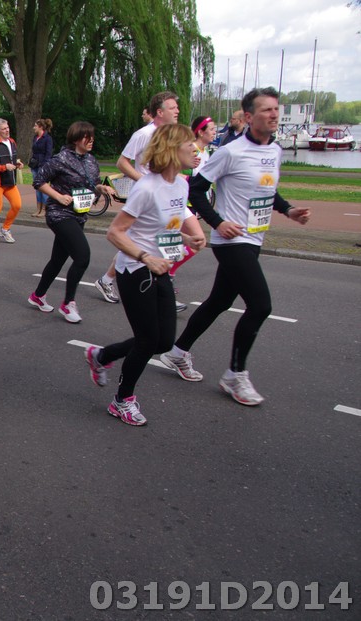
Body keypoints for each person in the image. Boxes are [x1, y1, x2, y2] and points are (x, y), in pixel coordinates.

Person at [160, 87, 311, 406]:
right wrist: (217, 223)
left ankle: (176, 352)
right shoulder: (231, 152)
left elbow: (267, 190)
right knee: (260, 305)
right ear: (249, 117)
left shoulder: (275, 150)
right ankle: (235, 375)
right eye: (266, 109)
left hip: (254, 238)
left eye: (276, 108)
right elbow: (196, 189)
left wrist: (288, 210)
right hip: (231, 241)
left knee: (218, 302)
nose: (274, 114)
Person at [84, 124, 206, 425]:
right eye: (189, 145)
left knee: (163, 342)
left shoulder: (181, 185)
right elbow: (115, 232)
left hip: (160, 266)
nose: (195, 150)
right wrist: (145, 256)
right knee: (147, 340)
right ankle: (122, 400)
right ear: (171, 150)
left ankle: (102, 356)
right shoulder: (146, 188)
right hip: (135, 269)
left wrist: (186, 238)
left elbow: (163, 226)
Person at [94, 92, 180, 305]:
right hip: (146, 196)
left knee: (165, 236)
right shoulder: (143, 134)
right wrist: (145, 181)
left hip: (166, 193)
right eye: (172, 108)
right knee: (137, 239)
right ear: (159, 112)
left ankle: (161, 282)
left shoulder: (171, 134)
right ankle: (112, 279)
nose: (177, 111)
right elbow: (122, 162)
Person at [28, 122, 116, 323]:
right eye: (87, 137)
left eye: (92, 136)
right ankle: (68, 304)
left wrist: (101, 189)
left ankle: (37, 295)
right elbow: (38, 181)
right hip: (59, 214)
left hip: (79, 214)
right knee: (82, 257)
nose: (91, 140)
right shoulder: (61, 159)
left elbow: (92, 184)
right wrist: (58, 196)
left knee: (58, 260)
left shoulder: (91, 160)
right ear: (76, 138)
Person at [167, 115, 218, 309]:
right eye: (211, 129)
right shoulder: (191, 149)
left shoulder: (206, 152)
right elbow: (175, 170)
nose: (214, 132)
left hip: (192, 202)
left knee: (189, 242)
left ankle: (165, 275)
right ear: (201, 132)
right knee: (188, 241)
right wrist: (191, 182)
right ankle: (165, 276)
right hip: (184, 203)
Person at [30, 119, 54, 217]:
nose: (34, 128)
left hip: (43, 165)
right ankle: (38, 208)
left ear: (40, 127)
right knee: (37, 187)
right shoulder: (35, 137)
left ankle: (44, 209)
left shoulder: (47, 138)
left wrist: (44, 165)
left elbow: (48, 153)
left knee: (43, 187)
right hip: (35, 165)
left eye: (35, 126)